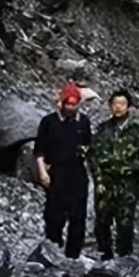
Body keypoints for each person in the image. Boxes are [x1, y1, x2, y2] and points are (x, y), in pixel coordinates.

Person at [34, 81, 92, 257]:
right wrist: (42, 171)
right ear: (62, 103)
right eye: (68, 104)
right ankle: (53, 250)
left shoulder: (83, 122)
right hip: (57, 172)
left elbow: (88, 145)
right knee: (54, 214)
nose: (70, 108)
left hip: (77, 173)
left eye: (74, 105)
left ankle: (73, 255)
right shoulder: (49, 122)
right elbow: (39, 150)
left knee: (78, 216)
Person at [90, 88, 139, 259]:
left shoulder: (137, 130)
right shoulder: (102, 129)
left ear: (129, 107)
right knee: (103, 219)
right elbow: (93, 157)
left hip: (128, 182)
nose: (118, 107)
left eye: (122, 104)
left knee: (126, 222)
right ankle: (105, 254)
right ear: (110, 106)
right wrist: (98, 180)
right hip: (106, 181)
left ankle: (125, 257)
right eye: (115, 103)